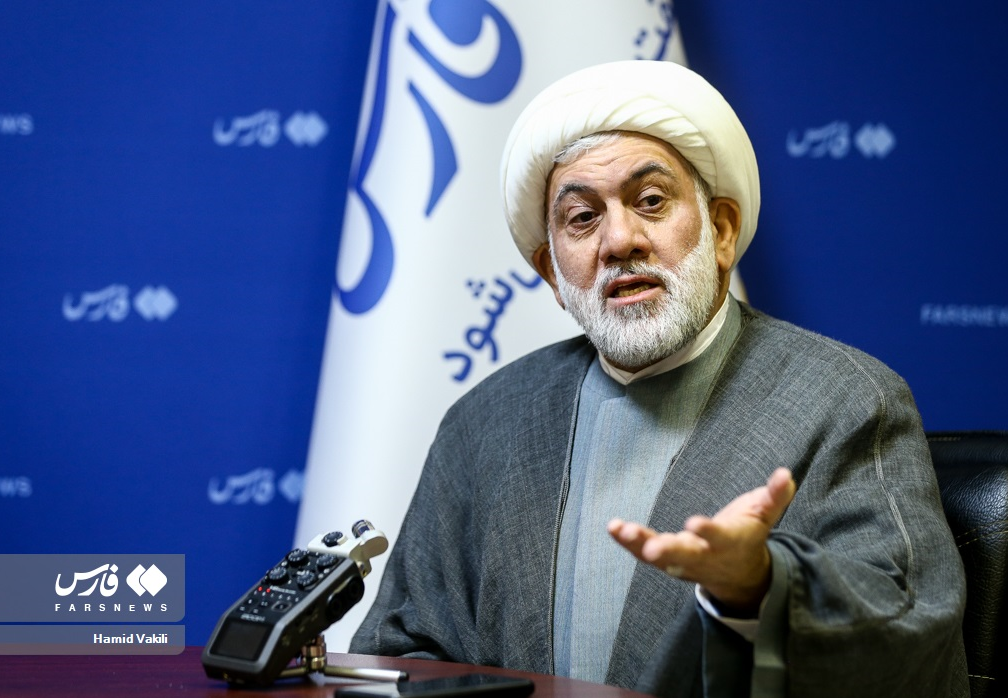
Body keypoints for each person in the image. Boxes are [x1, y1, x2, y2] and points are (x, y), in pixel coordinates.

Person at [350, 60, 968, 697]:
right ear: (552, 273)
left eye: (651, 201)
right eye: (582, 218)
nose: (620, 240)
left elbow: (905, 627)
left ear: (721, 230)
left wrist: (760, 585)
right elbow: (401, 653)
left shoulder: (846, 399)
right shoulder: (485, 422)